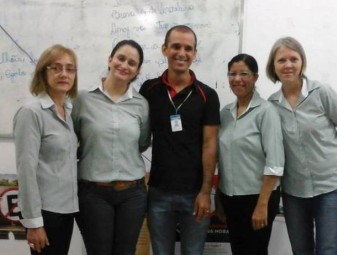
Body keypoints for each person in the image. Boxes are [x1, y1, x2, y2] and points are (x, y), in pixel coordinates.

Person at [266, 36, 337, 255]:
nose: (288, 65)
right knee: (301, 250)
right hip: (294, 191)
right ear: (273, 66)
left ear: (302, 62)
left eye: (293, 59)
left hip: (332, 186)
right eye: (281, 60)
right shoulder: (271, 104)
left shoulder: (321, 92)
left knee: (328, 249)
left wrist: (329, 152)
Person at [139, 25, 220, 255]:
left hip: (195, 194)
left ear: (195, 53)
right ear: (164, 49)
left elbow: (210, 145)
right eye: (175, 46)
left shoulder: (208, 96)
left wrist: (206, 192)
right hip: (158, 192)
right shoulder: (149, 90)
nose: (181, 53)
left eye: (188, 48)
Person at [71, 40, 150, 255]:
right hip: (94, 193)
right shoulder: (83, 100)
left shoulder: (141, 104)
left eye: (132, 63)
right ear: (110, 59)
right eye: (121, 58)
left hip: (132, 194)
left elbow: (142, 143)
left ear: (137, 70)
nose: (125, 65)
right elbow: (74, 141)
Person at [13, 44, 79, 255]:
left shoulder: (67, 109)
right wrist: (33, 223)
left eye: (70, 69)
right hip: (45, 212)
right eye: (56, 67)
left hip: (66, 210)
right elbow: (26, 170)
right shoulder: (31, 112)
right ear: (43, 71)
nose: (64, 74)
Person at [217, 54, 284, 255]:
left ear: (255, 78)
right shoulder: (225, 113)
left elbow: (275, 162)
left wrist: (262, 205)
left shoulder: (266, 111)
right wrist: (219, 198)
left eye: (244, 74)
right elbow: (223, 158)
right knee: (239, 251)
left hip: (258, 197)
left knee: (255, 251)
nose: (237, 79)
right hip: (230, 198)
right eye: (232, 74)